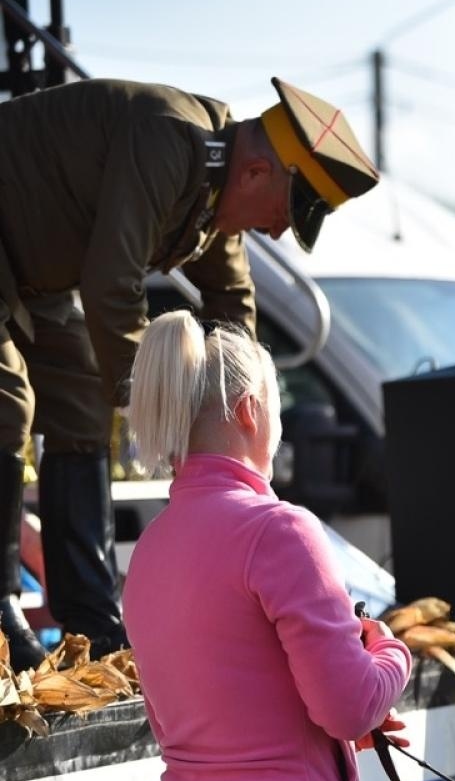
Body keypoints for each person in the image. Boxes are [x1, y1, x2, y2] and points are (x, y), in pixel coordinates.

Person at [0, 75, 379, 665]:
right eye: (286, 210)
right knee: (7, 401)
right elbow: (112, 282)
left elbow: (234, 308)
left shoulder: (215, 185)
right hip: (17, 252)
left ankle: (92, 624)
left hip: (29, 267)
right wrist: (159, 409)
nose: (278, 230)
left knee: (80, 399)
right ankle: (0, 612)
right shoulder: (171, 140)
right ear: (256, 172)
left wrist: (244, 431)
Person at [121, 312, 411, 781]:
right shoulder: (277, 528)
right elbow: (346, 702)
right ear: (251, 411)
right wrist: (390, 654)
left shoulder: (151, 544)